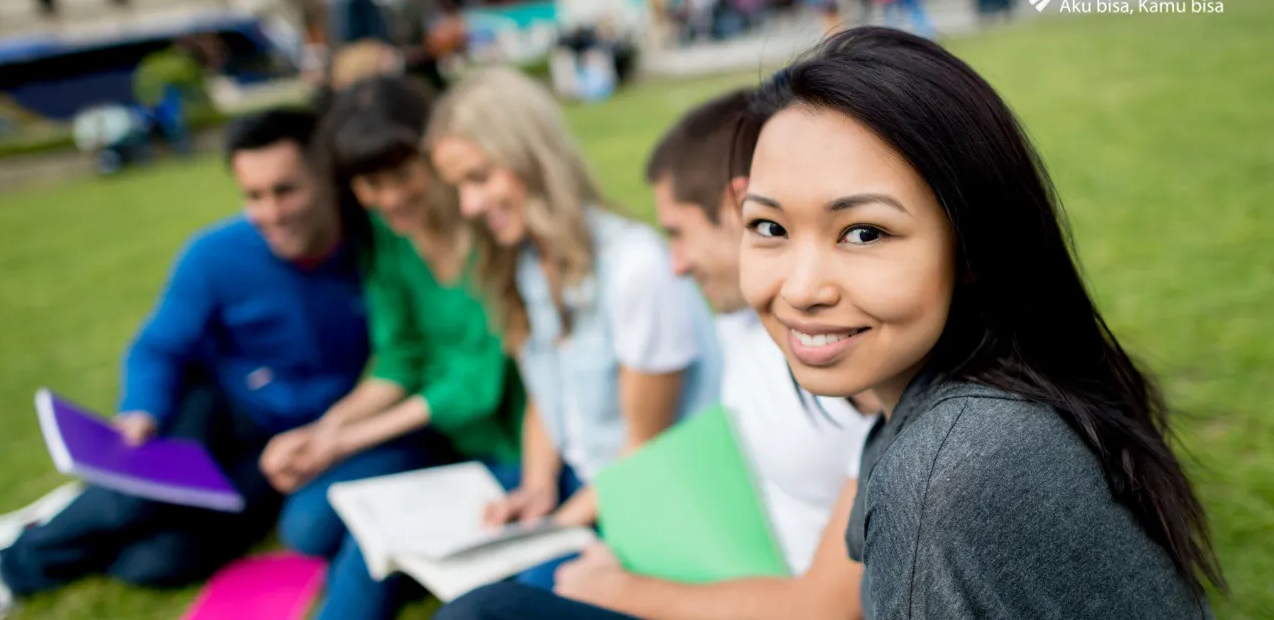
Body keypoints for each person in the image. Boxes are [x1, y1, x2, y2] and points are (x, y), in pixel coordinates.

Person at [739, 27, 1217, 617]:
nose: (801, 289)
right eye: (769, 227)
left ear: (971, 249)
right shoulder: (989, 404)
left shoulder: (944, 476)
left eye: (864, 233)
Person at [434, 90, 880, 620]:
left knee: (483, 610)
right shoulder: (741, 325)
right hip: (697, 552)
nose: (676, 266)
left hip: (724, 579)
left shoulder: (859, 375)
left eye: (678, 234)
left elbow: (822, 608)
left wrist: (619, 587)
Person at [0, 110, 372, 617]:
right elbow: (158, 346)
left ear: (327, 177)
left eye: (286, 190)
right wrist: (141, 410)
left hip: (290, 441)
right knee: (136, 498)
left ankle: (68, 512)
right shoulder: (215, 254)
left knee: (159, 562)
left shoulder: (374, 254)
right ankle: (11, 568)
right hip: (216, 405)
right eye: (253, 196)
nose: (271, 213)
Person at [426, 67, 723, 589]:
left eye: (479, 178)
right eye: (459, 188)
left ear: (532, 159)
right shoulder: (524, 261)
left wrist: (553, 530)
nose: (469, 206)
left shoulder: (635, 267)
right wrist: (537, 485)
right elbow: (548, 391)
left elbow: (643, 452)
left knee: (494, 600)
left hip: (648, 499)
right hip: (578, 485)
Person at [270, 76, 524, 619]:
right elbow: (400, 354)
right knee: (308, 522)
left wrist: (350, 440)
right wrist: (326, 432)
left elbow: (477, 384)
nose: (388, 198)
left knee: (371, 542)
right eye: (368, 185)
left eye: (402, 176)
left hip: (509, 444)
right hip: (437, 440)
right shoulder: (387, 235)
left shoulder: (486, 224)